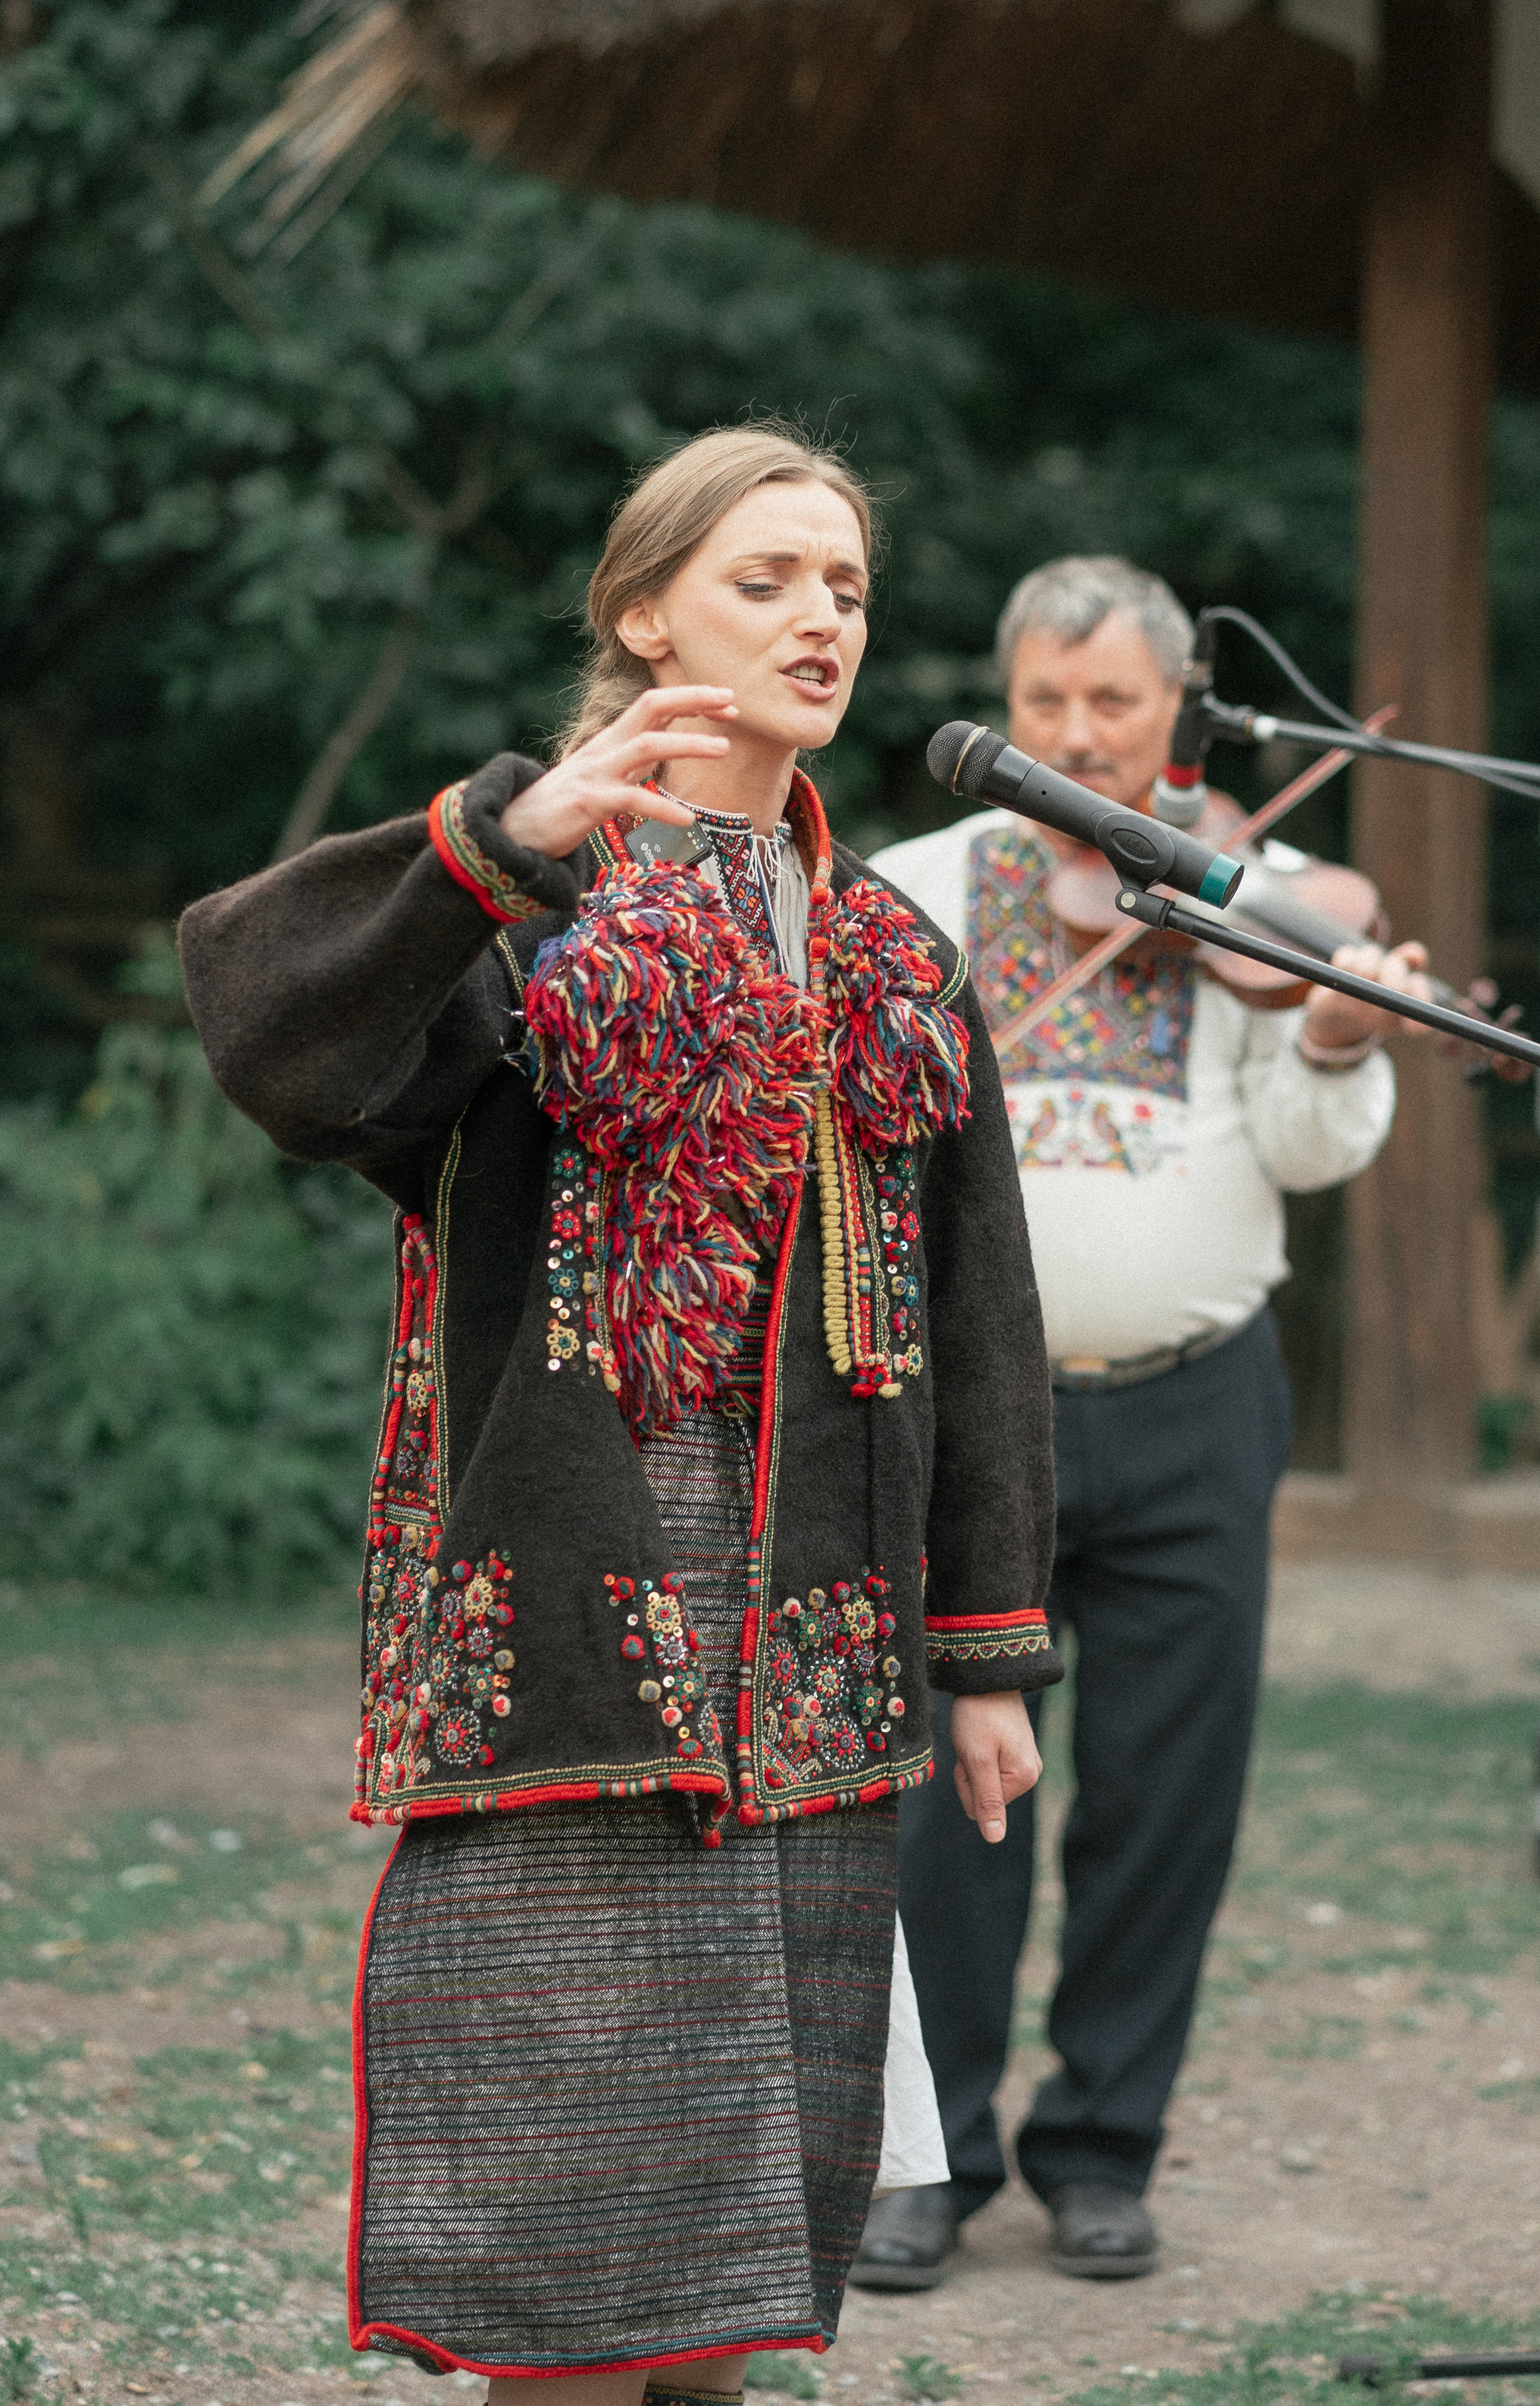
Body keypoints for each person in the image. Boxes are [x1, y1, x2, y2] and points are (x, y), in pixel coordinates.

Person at [178, 429, 1061, 2400]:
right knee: (568, 2290)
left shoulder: (893, 959)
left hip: (809, 1680)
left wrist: (988, 1647)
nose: (824, 614)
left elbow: (981, 1318)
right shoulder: (523, 915)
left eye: (844, 582)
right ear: (644, 608)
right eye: (769, 578)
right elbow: (264, 1027)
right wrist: (494, 843)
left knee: (732, 2289)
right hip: (569, 1663)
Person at [855, 554, 1431, 2290]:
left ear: (1178, 709)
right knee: (946, 1811)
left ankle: (1102, 2148)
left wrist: (1333, 1041)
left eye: (1110, 704)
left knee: (1164, 1798)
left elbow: (1317, 1154)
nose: (1075, 737)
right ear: (1005, 703)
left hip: (1194, 1406)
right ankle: (923, 2161)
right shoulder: (913, 889)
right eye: (1043, 702)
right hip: (970, 1419)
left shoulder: (1250, 893)